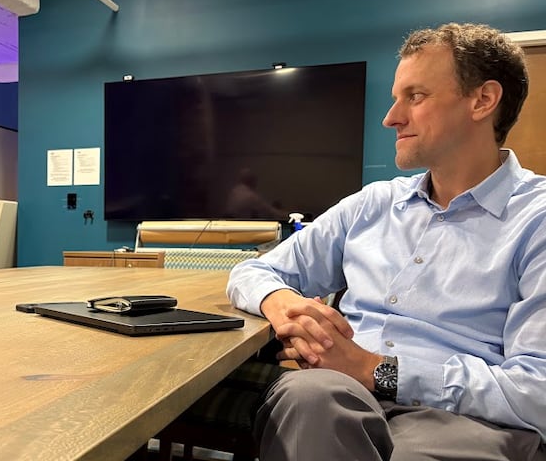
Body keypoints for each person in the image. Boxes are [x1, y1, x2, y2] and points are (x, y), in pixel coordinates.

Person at [227, 23, 546, 460]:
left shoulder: (537, 221)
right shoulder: (373, 204)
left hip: (467, 424)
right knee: (308, 400)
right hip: (331, 395)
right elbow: (254, 270)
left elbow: (538, 391)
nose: (391, 118)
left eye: (415, 97)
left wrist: (379, 372)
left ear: (483, 100)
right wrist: (282, 302)